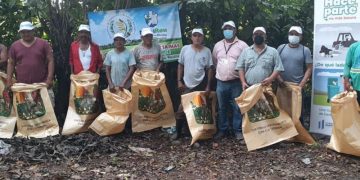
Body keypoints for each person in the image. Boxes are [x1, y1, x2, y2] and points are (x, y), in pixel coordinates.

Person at [171, 28, 214, 140]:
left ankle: (195, 134)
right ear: (191, 37)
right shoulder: (185, 49)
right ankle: (178, 133)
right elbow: (180, 65)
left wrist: (208, 85)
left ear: (203, 38)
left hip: (201, 84)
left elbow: (209, 68)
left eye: (199, 36)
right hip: (186, 84)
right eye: (195, 35)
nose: (197, 38)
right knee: (181, 109)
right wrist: (179, 81)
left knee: (198, 110)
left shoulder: (207, 51)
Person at [212, 21, 248, 140]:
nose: (228, 30)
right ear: (223, 30)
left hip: (236, 82)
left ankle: (237, 131)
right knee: (222, 107)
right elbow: (215, 62)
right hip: (221, 82)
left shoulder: (242, 45)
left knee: (237, 107)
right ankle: (222, 130)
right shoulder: (218, 45)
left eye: (230, 28)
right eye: (225, 28)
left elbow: (247, 63)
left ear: (235, 30)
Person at [7, 21, 55, 105]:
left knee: (47, 113)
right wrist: (8, 80)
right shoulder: (15, 46)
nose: (26, 34)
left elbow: (50, 60)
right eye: (23, 32)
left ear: (33, 31)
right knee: (27, 113)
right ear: (20, 33)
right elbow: (11, 63)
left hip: (42, 85)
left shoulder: (43, 43)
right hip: (22, 87)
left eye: (28, 31)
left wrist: (50, 78)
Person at [277, 26, 312, 123]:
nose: (294, 36)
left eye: (297, 34)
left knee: (298, 113)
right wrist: (280, 80)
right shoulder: (281, 48)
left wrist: (302, 85)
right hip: (282, 85)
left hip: (297, 86)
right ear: (288, 35)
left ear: (301, 37)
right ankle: (284, 135)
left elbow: (309, 68)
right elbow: (275, 66)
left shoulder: (305, 50)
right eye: (291, 34)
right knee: (282, 111)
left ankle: (299, 135)